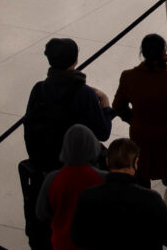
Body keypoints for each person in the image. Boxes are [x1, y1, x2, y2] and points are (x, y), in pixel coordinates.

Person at [111, 35, 167, 226]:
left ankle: (146, 217)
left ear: (142, 53)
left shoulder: (129, 77)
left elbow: (118, 106)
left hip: (141, 136)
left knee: (142, 177)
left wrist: (133, 119)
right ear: (163, 53)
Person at [23, 37, 113, 169]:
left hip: (45, 162)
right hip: (77, 166)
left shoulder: (39, 89)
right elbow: (103, 133)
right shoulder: (84, 93)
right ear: (75, 60)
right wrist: (105, 103)